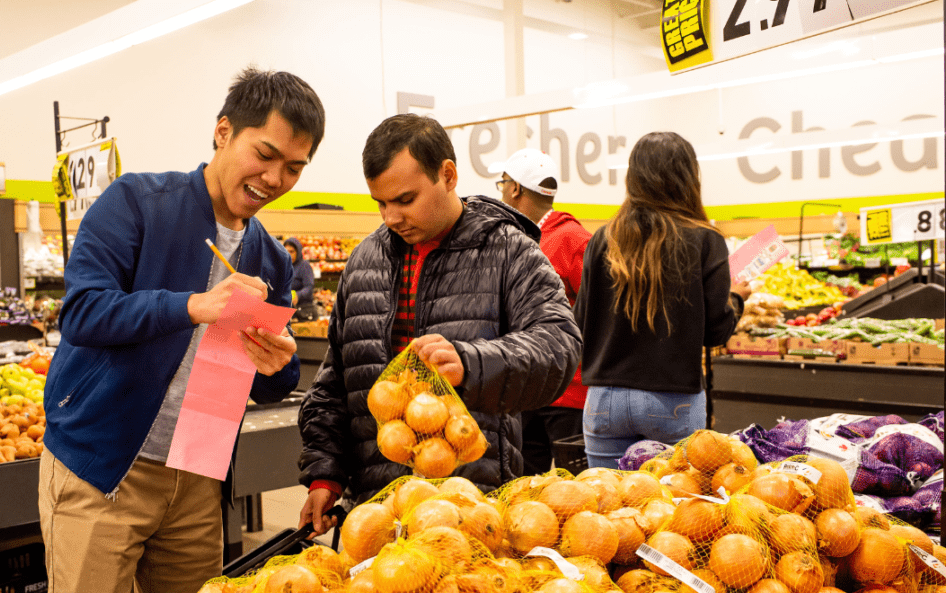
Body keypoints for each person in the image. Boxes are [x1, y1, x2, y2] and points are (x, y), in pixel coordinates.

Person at [38, 68, 325, 593]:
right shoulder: (137, 203)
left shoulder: (269, 259)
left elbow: (267, 384)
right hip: (103, 467)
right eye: (264, 155)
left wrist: (277, 363)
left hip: (198, 474)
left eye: (293, 167)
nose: (275, 178)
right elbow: (82, 312)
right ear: (223, 132)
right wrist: (192, 305)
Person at [296, 113, 582, 538]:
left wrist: (472, 364)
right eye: (381, 203)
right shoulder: (365, 261)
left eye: (405, 200)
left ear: (447, 175)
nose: (391, 217)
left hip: (472, 508)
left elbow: (559, 345)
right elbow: (337, 381)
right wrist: (324, 474)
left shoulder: (508, 251)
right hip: (376, 512)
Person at [573, 131, 750, 470]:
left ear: (632, 177)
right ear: (689, 178)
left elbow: (580, 322)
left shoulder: (602, 239)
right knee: (676, 511)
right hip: (673, 399)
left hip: (604, 399)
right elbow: (715, 332)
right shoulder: (705, 240)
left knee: (606, 508)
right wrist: (737, 300)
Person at [489, 148, 591, 476]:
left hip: (568, 391)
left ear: (515, 188)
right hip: (529, 390)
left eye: (503, 183)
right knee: (524, 488)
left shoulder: (572, 239)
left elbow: (597, 310)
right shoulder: (517, 239)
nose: (502, 190)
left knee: (577, 494)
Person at [283, 237, 318, 321]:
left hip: (303, 311)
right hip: (287, 312)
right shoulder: (283, 267)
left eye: (291, 252)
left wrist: (298, 295)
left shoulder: (304, 266)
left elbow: (309, 287)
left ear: (298, 252)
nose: (288, 254)